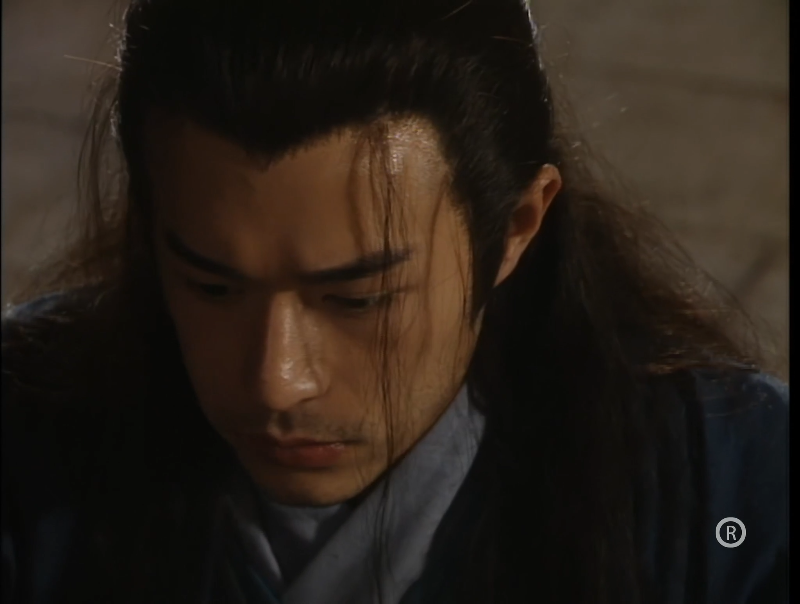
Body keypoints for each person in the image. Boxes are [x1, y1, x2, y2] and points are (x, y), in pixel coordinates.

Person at [1, 1, 788, 603]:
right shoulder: (25, 431)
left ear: (515, 227)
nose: (278, 380)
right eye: (213, 287)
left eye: (358, 298)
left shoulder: (730, 486)